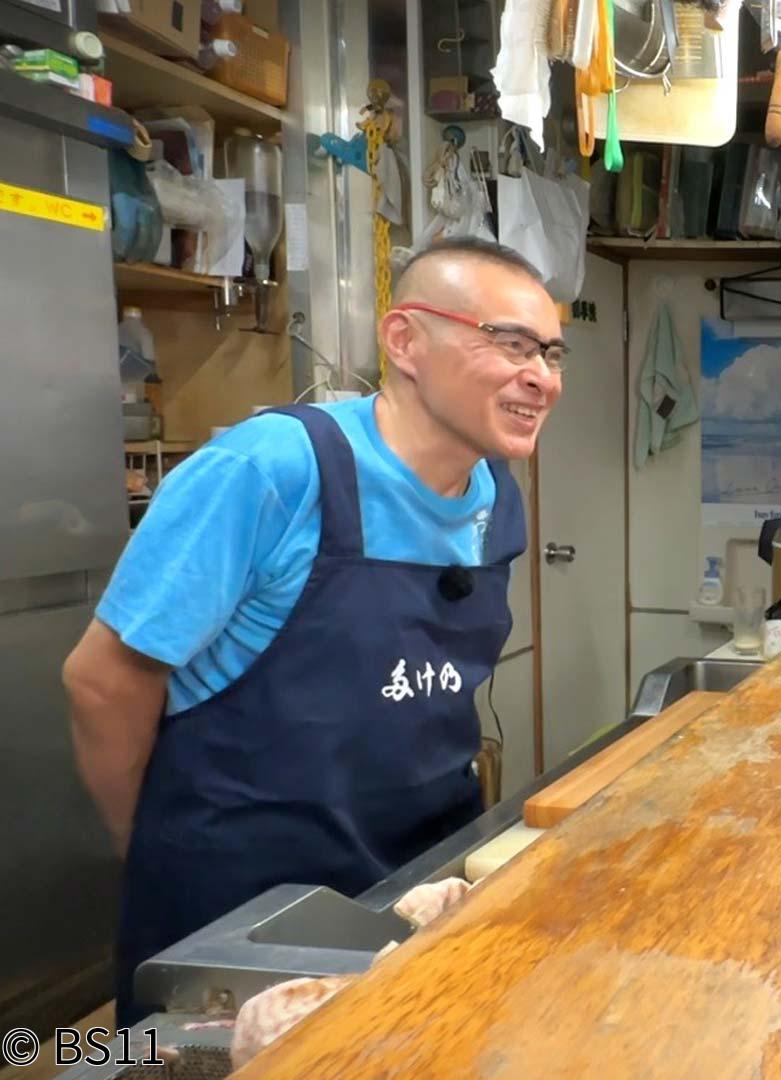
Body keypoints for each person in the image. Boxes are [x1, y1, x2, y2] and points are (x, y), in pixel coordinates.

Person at [62, 238, 564, 1025]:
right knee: (153, 1068)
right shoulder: (270, 472)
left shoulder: (496, 494)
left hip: (409, 894)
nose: (541, 375)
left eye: (551, 352)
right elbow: (102, 680)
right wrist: (155, 849)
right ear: (404, 342)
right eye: (509, 343)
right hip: (240, 921)